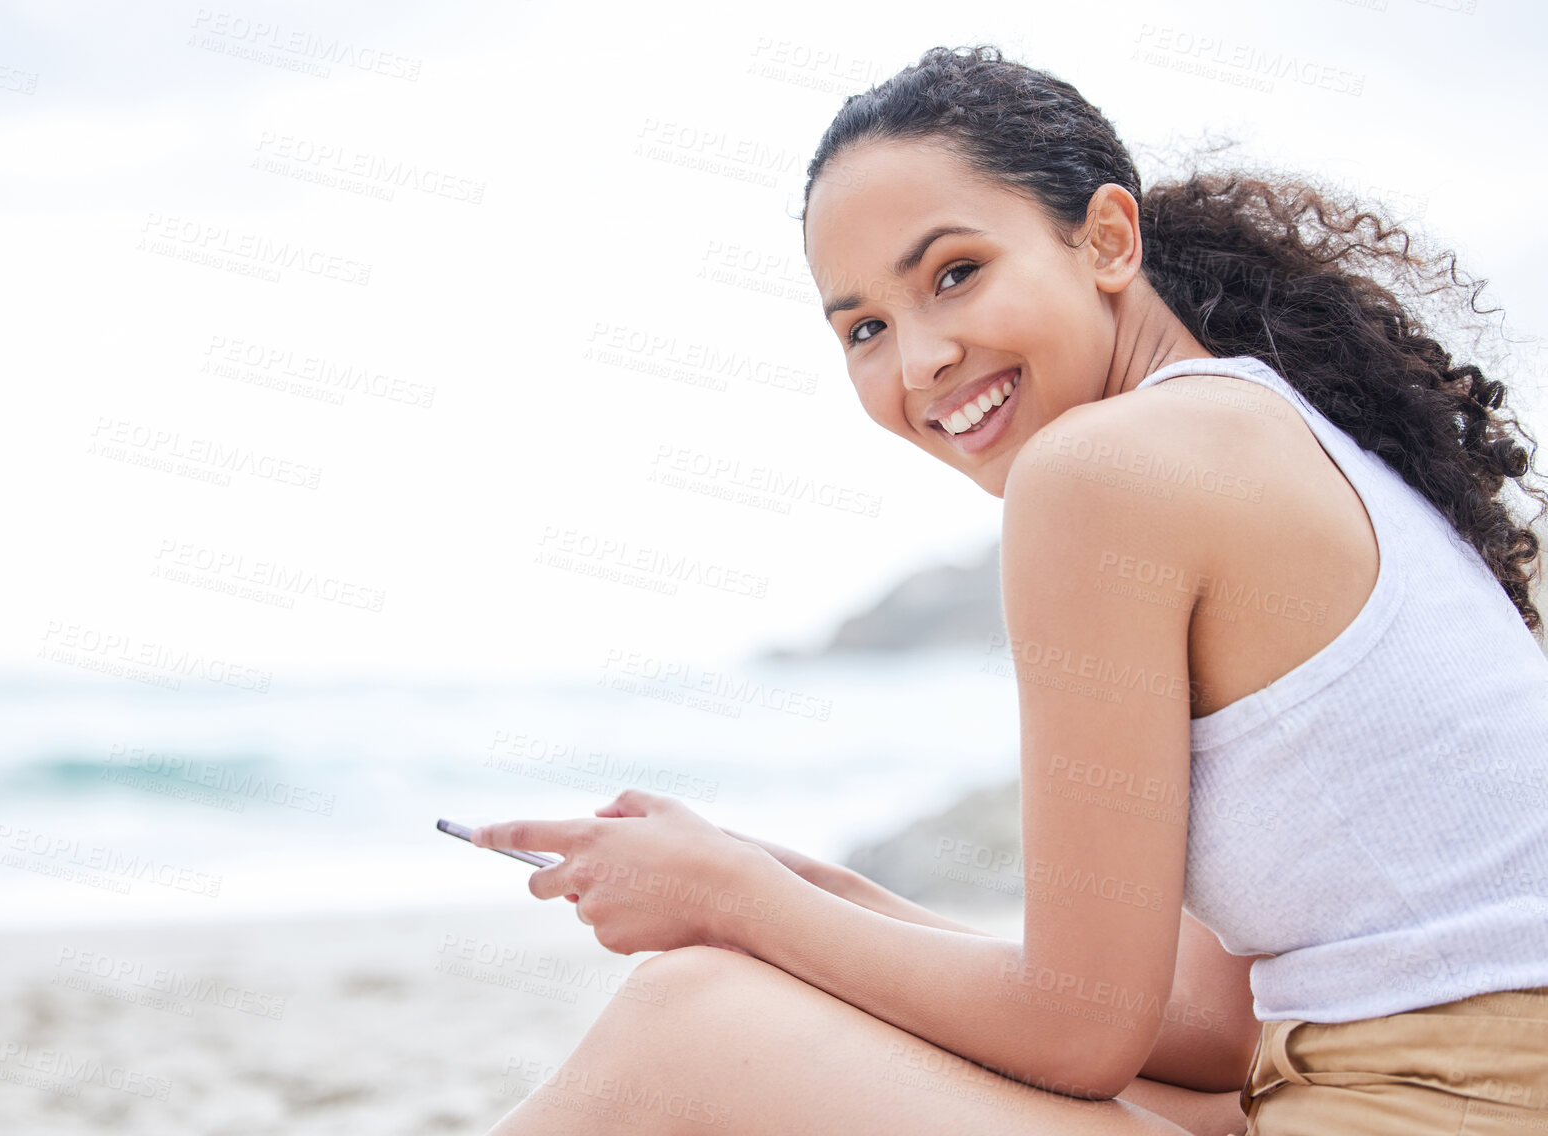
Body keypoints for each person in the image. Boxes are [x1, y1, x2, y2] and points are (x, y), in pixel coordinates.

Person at [474, 44, 1548, 1136]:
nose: (920, 358)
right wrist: (799, 891)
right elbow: (1204, 1025)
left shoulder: (1100, 474)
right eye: (864, 328)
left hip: (1447, 1105)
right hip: (1430, 1084)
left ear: (1107, 240)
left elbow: (1079, 1034)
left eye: (953, 272)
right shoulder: (1257, 429)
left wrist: (729, 902)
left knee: (688, 1016)